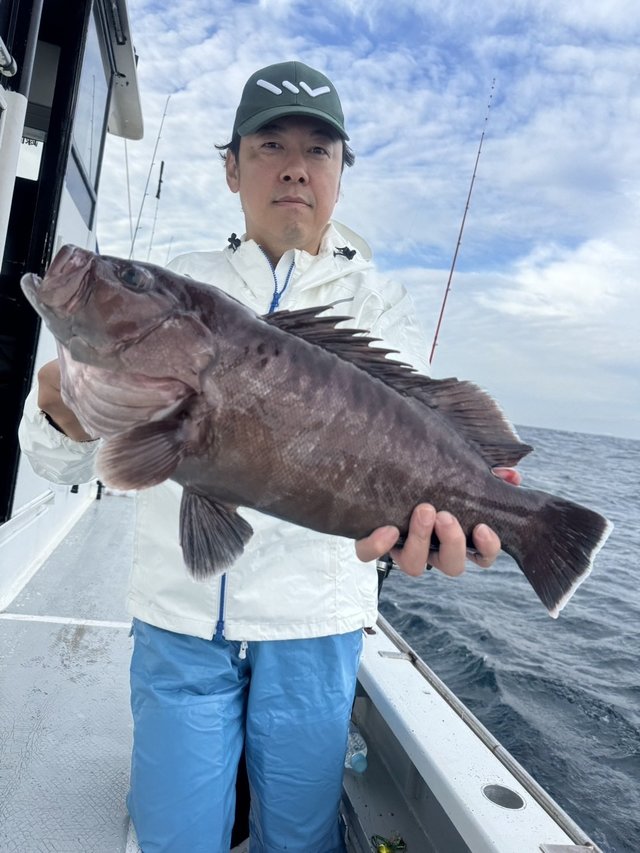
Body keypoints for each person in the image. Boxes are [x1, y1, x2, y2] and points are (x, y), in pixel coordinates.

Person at [19, 61, 519, 853]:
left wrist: (460, 516)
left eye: (318, 150)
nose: (294, 167)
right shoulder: (178, 284)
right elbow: (63, 467)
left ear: (341, 173)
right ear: (231, 167)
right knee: (175, 837)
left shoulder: (381, 307)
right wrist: (60, 408)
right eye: (269, 145)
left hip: (316, 626)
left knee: (300, 837)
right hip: (179, 621)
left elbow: (422, 455)